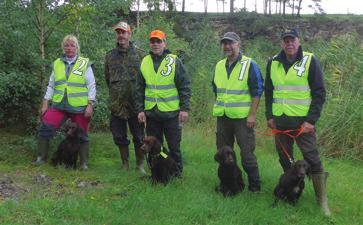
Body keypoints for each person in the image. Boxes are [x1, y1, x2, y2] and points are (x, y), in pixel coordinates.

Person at [265, 28, 331, 215]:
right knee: (286, 159)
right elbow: (269, 92)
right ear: (281, 43)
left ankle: (322, 201)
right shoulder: (272, 62)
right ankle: (292, 191)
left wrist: (311, 121)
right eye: (285, 40)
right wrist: (269, 116)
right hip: (280, 124)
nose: (289, 43)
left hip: (303, 125)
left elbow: (319, 93)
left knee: (313, 160)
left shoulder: (310, 60)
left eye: (292, 40)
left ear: (299, 41)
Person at [34, 35, 96, 170]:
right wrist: (45, 102)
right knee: (45, 126)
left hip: (79, 107)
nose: (69, 48)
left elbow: (91, 86)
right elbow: (51, 85)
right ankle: (41, 157)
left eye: (72, 45)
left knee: (83, 134)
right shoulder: (57, 63)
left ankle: (83, 163)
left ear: (77, 47)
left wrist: (90, 105)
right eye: (67, 45)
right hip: (59, 105)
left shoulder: (84, 63)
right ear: (63, 47)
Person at [212, 32, 264, 193]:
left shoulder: (250, 64)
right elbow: (216, 89)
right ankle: (226, 184)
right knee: (223, 154)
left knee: (247, 155)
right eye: (225, 43)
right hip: (223, 117)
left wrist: (252, 115)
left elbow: (257, 91)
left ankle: (254, 186)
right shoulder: (220, 65)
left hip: (243, 119)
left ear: (238, 44)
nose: (227, 46)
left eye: (231, 43)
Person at [135, 30, 191, 176]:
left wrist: (184, 109)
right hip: (152, 113)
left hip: (171, 113)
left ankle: (176, 173)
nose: (155, 44)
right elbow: (139, 88)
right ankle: (156, 172)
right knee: (153, 148)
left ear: (164, 43)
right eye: (152, 41)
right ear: (149, 44)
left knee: (174, 147)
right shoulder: (145, 61)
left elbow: (184, 86)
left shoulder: (174, 61)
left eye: (158, 41)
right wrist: (140, 110)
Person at [104, 21, 146, 174]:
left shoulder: (141, 54)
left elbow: (146, 80)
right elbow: (107, 79)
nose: (121, 35)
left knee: (139, 137)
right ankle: (125, 163)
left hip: (136, 105)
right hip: (117, 105)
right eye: (118, 32)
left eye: (124, 32)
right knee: (119, 136)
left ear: (130, 34)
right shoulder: (109, 56)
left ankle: (140, 165)